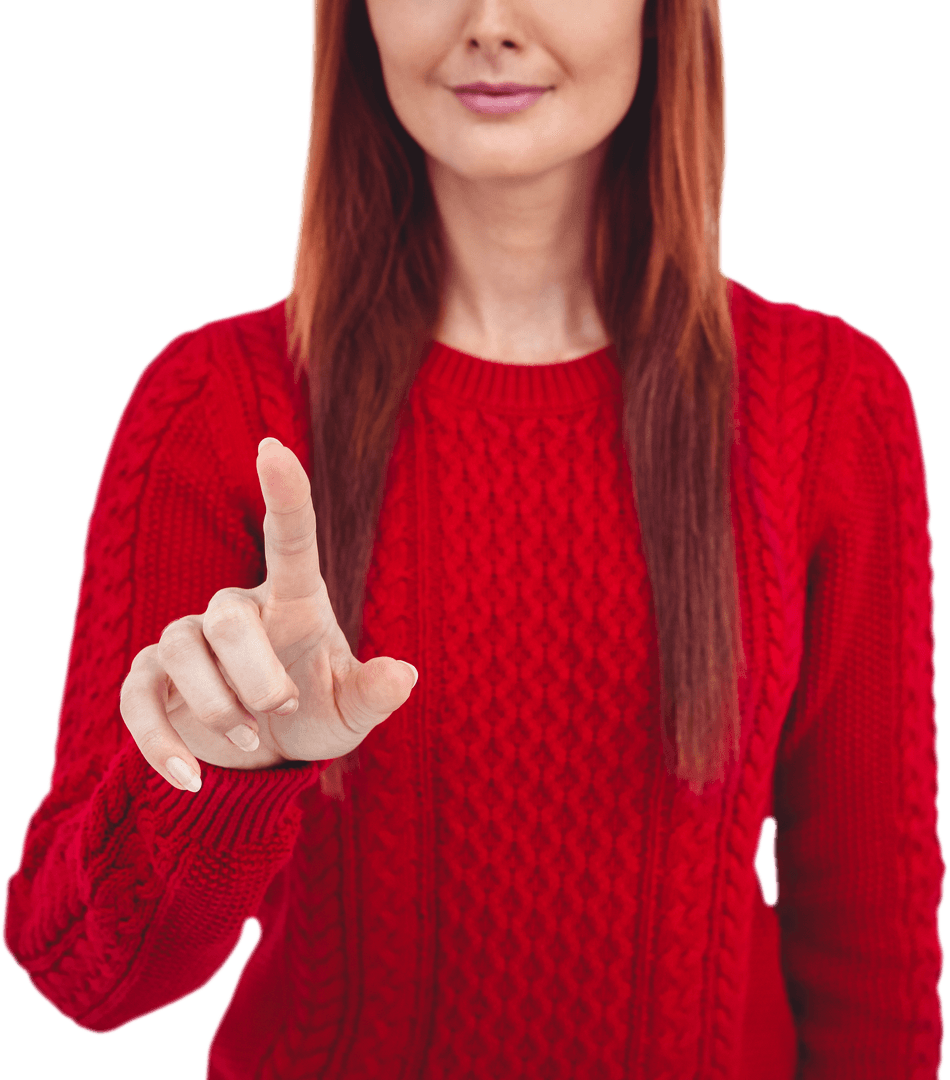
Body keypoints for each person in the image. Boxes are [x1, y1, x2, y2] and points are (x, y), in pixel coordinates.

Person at [3, 0, 945, 1076]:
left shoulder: (829, 407)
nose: (491, 23)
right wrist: (228, 771)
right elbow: (79, 971)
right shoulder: (213, 406)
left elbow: (871, 946)